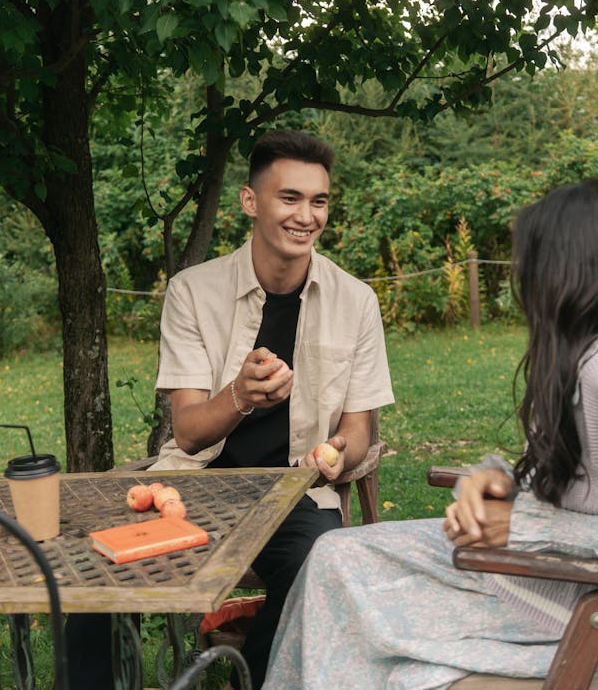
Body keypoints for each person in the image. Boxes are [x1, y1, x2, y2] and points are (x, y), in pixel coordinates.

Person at [264, 178, 598, 689]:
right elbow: (590, 483)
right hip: (549, 579)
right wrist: (496, 481)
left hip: (582, 606)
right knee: (336, 558)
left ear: (574, 268)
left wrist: (521, 528)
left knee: (339, 571)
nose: (525, 276)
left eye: (535, 260)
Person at [106, 129, 391, 688]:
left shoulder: (356, 301)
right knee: (97, 566)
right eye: (290, 198)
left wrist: (336, 452)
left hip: (293, 490)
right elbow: (187, 433)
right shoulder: (192, 292)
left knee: (319, 556)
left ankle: (255, 677)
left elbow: (359, 429)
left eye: (319, 201)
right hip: (195, 488)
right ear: (250, 201)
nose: (306, 216)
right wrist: (239, 395)